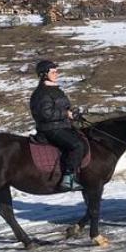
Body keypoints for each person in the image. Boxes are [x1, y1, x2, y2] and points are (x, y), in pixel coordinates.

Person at [30, 60, 85, 192]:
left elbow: (62, 107)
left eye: (57, 71)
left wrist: (73, 113)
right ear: (44, 75)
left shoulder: (55, 89)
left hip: (61, 125)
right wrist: (66, 114)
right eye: (53, 72)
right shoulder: (42, 93)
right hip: (50, 129)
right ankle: (68, 178)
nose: (56, 74)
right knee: (77, 145)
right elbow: (46, 114)